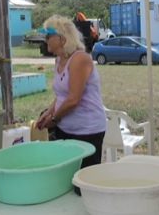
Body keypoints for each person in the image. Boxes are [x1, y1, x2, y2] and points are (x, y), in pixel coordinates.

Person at [35, 15, 106, 195]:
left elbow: (74, 99)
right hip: (66, 129)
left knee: (83, 187)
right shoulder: (59, 60)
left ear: (63, 38)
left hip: (87, 131)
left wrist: (54, 118)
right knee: (64, 182)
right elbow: (61, 95)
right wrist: (48, 113)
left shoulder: (80, 59)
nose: (45, 40)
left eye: (48, 36)